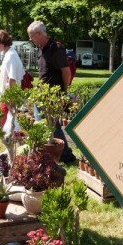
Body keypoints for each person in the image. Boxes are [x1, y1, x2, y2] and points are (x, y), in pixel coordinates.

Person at [27, 20, 76, 164]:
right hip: (41, 93)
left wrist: (63, 91)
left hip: (52, 94)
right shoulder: (42, 49)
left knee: (51, 125)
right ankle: (57, 154)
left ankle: (65, 155)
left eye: (31, 36)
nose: (30, 39)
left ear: (40, 34)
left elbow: (66, 72)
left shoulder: (56, 48)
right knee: (49, 125)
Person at [0, 29, 25, 131]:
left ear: (4, 42)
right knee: (8, 126)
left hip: (9, 98)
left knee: (7, 127)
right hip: (7, 97)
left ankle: (10, 146)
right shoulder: (10, 54)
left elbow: (12, 79)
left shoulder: (10, 56)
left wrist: (11, 100)